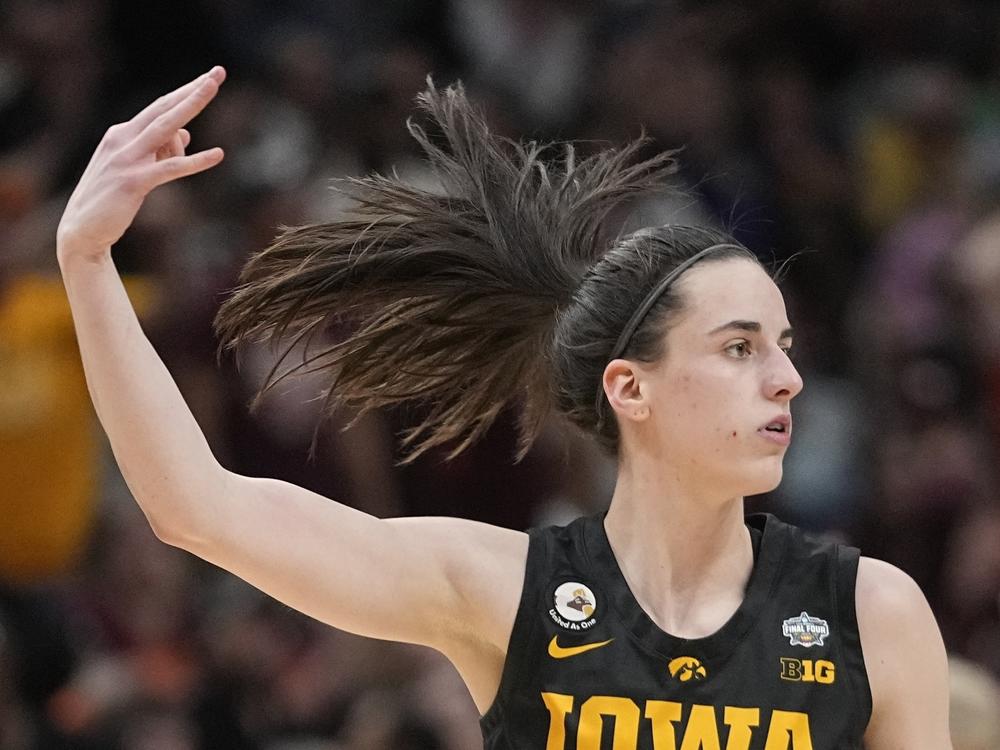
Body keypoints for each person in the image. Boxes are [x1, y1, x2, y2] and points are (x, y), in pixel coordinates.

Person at [56, 66, 952, 749]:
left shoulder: (872, 613)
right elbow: (196, 510)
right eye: (738, 348)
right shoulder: (507, 591)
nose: (787, 379)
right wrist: (89, 266)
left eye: (785, 347)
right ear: (629, 388)